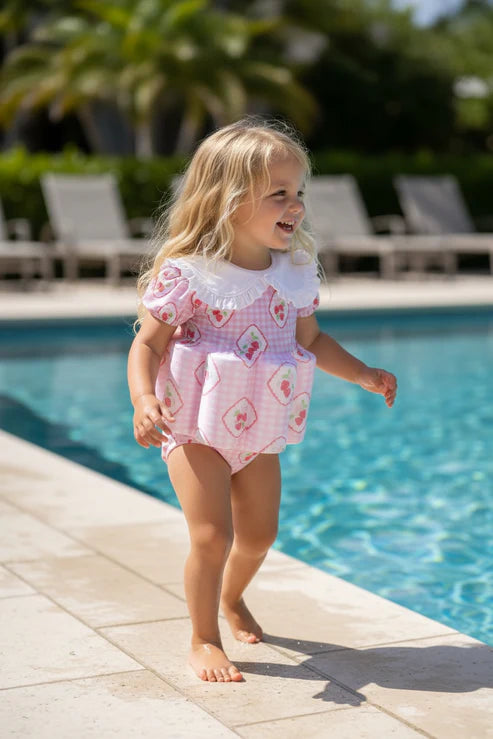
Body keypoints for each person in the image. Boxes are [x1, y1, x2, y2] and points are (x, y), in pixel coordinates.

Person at [127, 118, 397, 684]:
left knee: (258, 537)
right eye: (279, 193)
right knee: (212, 537)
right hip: (194, 427)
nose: (295, 205)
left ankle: (232, 597)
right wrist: (144, 398)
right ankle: (203, 639)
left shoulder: (293, 273)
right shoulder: (191, 275)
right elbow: (147, 344)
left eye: (298, 192)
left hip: (259, 429)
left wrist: (363, 374)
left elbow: (311, 341)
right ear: (226, 200)